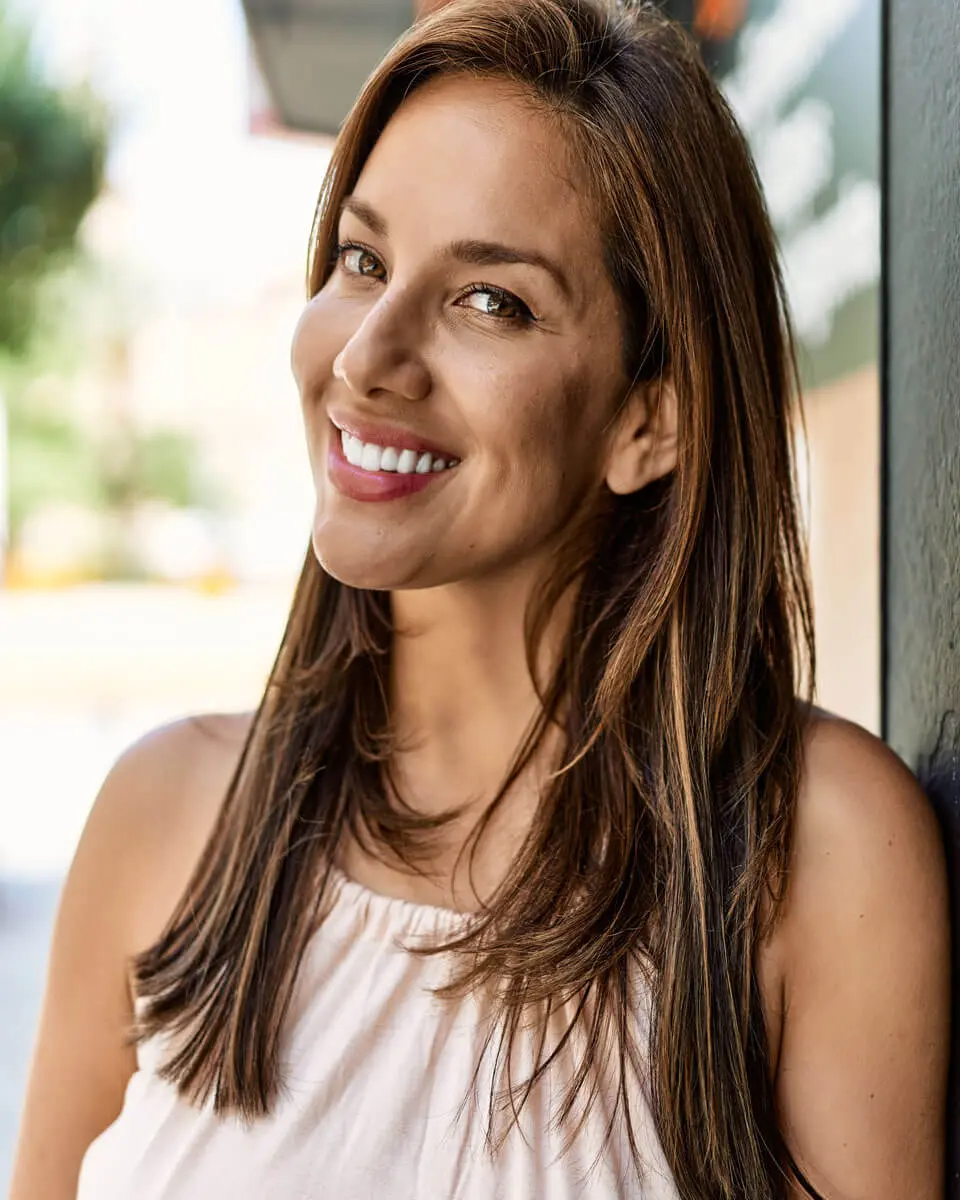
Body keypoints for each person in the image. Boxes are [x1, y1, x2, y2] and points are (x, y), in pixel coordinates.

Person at [9, 1, 950, 1197]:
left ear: (650, 418)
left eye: (489, 301)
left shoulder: (812, 855)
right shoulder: (166, 817)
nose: (365, 357)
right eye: (364, 261)